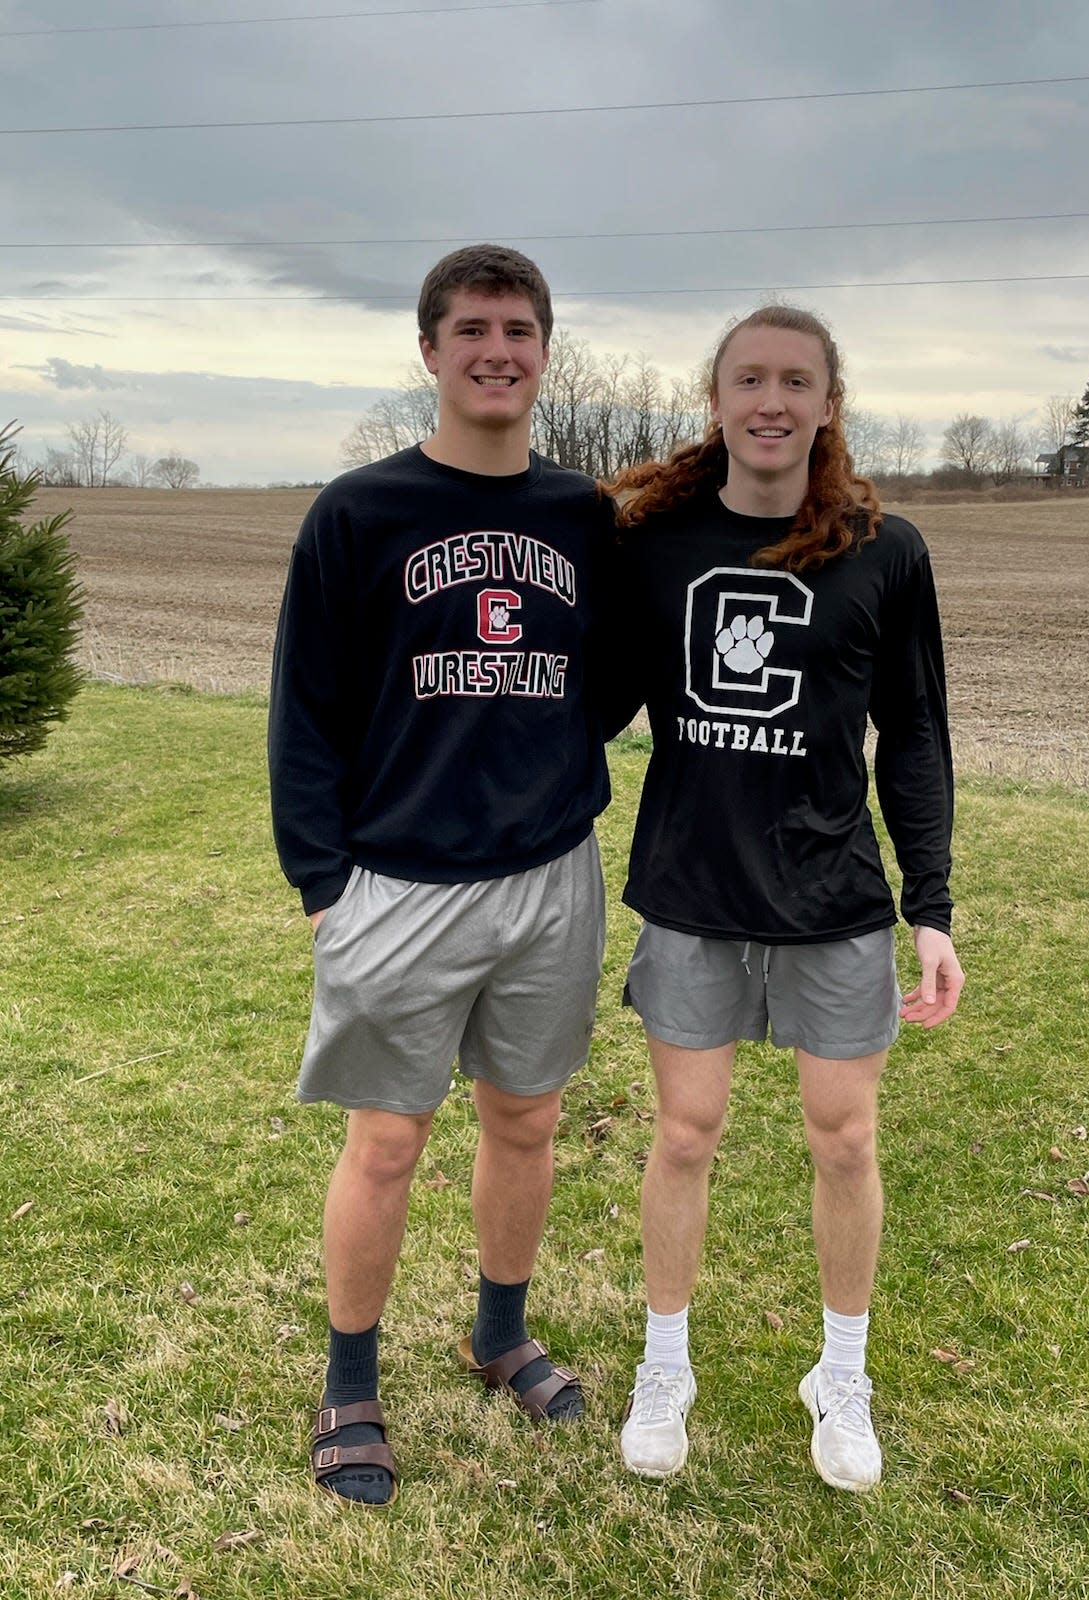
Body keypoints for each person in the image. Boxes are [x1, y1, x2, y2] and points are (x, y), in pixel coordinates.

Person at [268, 244, 613, 1506]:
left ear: (543, 351)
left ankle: (499, 1330)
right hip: (397, 882)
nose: (498, 350)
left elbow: (608, 669)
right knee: (387, 1139)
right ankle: (350, 1380)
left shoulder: (580, 516)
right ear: (429, 349)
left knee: (526, 1118)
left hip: (548, 873)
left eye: (520, 329)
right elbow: (303, 708)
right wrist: (324, 883)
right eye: (472, 328)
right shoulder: (359, 514)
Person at [606, 305, 964, 1489]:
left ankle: (841, 1376)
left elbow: (913, 733)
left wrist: (933, 904)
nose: (771, 400)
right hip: (692, 890)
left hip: (832, 899)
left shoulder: (885, 549)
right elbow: (586, 703)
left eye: (794, 381)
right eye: (748, 378)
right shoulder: (654, 544)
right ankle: (668, 1365)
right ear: (715, 400)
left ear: (827, 403)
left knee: (845, 1136)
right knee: (685, 1132)